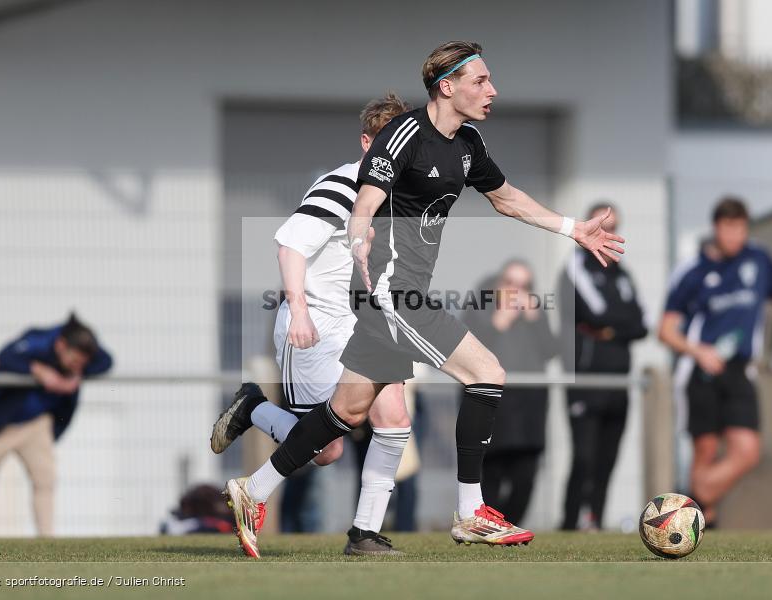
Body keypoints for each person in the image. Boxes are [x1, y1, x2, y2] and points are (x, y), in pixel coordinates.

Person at [225, 40, 625, 554]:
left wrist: (573, 229)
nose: (492, 90)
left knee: (344, 414)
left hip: (392, 297)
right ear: (447, 85)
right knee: (487, 371)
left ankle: (253, 490)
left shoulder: (468, 144)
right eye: (481, 80)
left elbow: (506, 199)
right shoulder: (403, 133)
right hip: (392, 294)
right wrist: (358, 238)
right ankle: (470, 510)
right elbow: (364, 200)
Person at [211, 93, 413, 556]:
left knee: (394, 417)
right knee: (328, 450)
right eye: (386, 144)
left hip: (361, 326)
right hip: (316, 324)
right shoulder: (341, 187)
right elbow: (290, 247)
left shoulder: (394, 197)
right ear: (367, 144)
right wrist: (299, 311)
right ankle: (252, 409)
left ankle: (364, 535)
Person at [658, 197, 772, 525]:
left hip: (740, 370)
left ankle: (686, 507)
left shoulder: (758, 260)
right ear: (716, 228)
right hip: (700, 373)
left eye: (741, 229)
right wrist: (699, 350)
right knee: (704, 452)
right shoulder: (693, 271)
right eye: (729, 229)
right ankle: (701, 528)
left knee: (747, 452)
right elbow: (665, 330)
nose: (735, 237)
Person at [0, 313, 112, 537]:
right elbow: (4, 358)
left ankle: (47, 540)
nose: (76, 366)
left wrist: (75, 376)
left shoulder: (81, 352)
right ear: (61, 345)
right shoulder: (37, 340)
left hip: (35, 423)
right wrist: (38, 371)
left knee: (45, 481)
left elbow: (106, 361)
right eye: (75, 361)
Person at [557, 203, 647, 530]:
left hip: (618, 381)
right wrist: (614, 325)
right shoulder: (576, 266)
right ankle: (569, 523)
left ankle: (594, 520)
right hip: (586, 378)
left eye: (614, 229)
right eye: (603, 228)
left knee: (607, 459)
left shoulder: (622, 274)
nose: (608, 236)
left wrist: (613, 329)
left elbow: (641, 324)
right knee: (584, 457)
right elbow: (597, 313)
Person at [465, 260, 556, 525]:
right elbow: (466, 349)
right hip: (494, 402)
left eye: (524, 286)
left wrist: (535, 320)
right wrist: (497, 324)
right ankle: (491, 524)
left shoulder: (536, 312)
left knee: (526, 474)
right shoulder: (480, 306)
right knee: (491, 470)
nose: (517, 292)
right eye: (510, 283)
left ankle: (511, 524)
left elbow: (552, 349)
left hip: (530, 404)